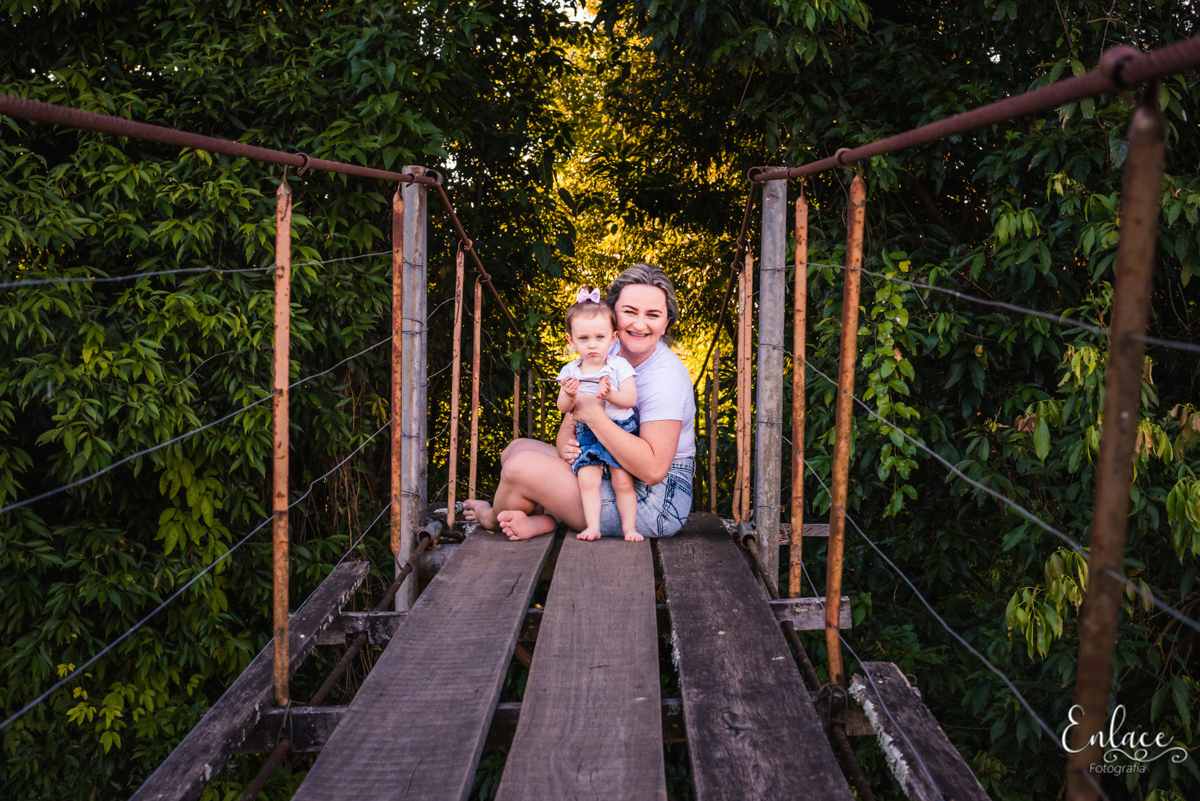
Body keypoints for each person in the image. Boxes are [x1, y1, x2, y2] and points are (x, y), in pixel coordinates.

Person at [464, 263, 695, 540]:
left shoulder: (665, 376)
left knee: (519, 468)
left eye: (653, 315)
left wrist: (595, 417)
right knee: (516, 449)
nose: (640, 324)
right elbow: (572, 419)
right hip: (608, 464)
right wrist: (567, 447)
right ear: (612, 315)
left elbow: (654, 470)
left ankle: (489, 518)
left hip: (655, 502)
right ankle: (542, 520)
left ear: (667, 321)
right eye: (629, 312)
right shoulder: (603, 350)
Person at [555, 286, 640, 542]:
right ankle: (593, 526)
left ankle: (630, 528)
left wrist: (609, 396)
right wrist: (569, 395)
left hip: (620, 431)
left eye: (599, 338)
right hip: (587, 434)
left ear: (613, 338)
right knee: (587, 480)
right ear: (571, 340)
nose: (592, 345)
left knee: (622, 482)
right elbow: (562, 408)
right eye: (584, 339)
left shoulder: (618, 365)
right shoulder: (571, 370)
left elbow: (630, 399)